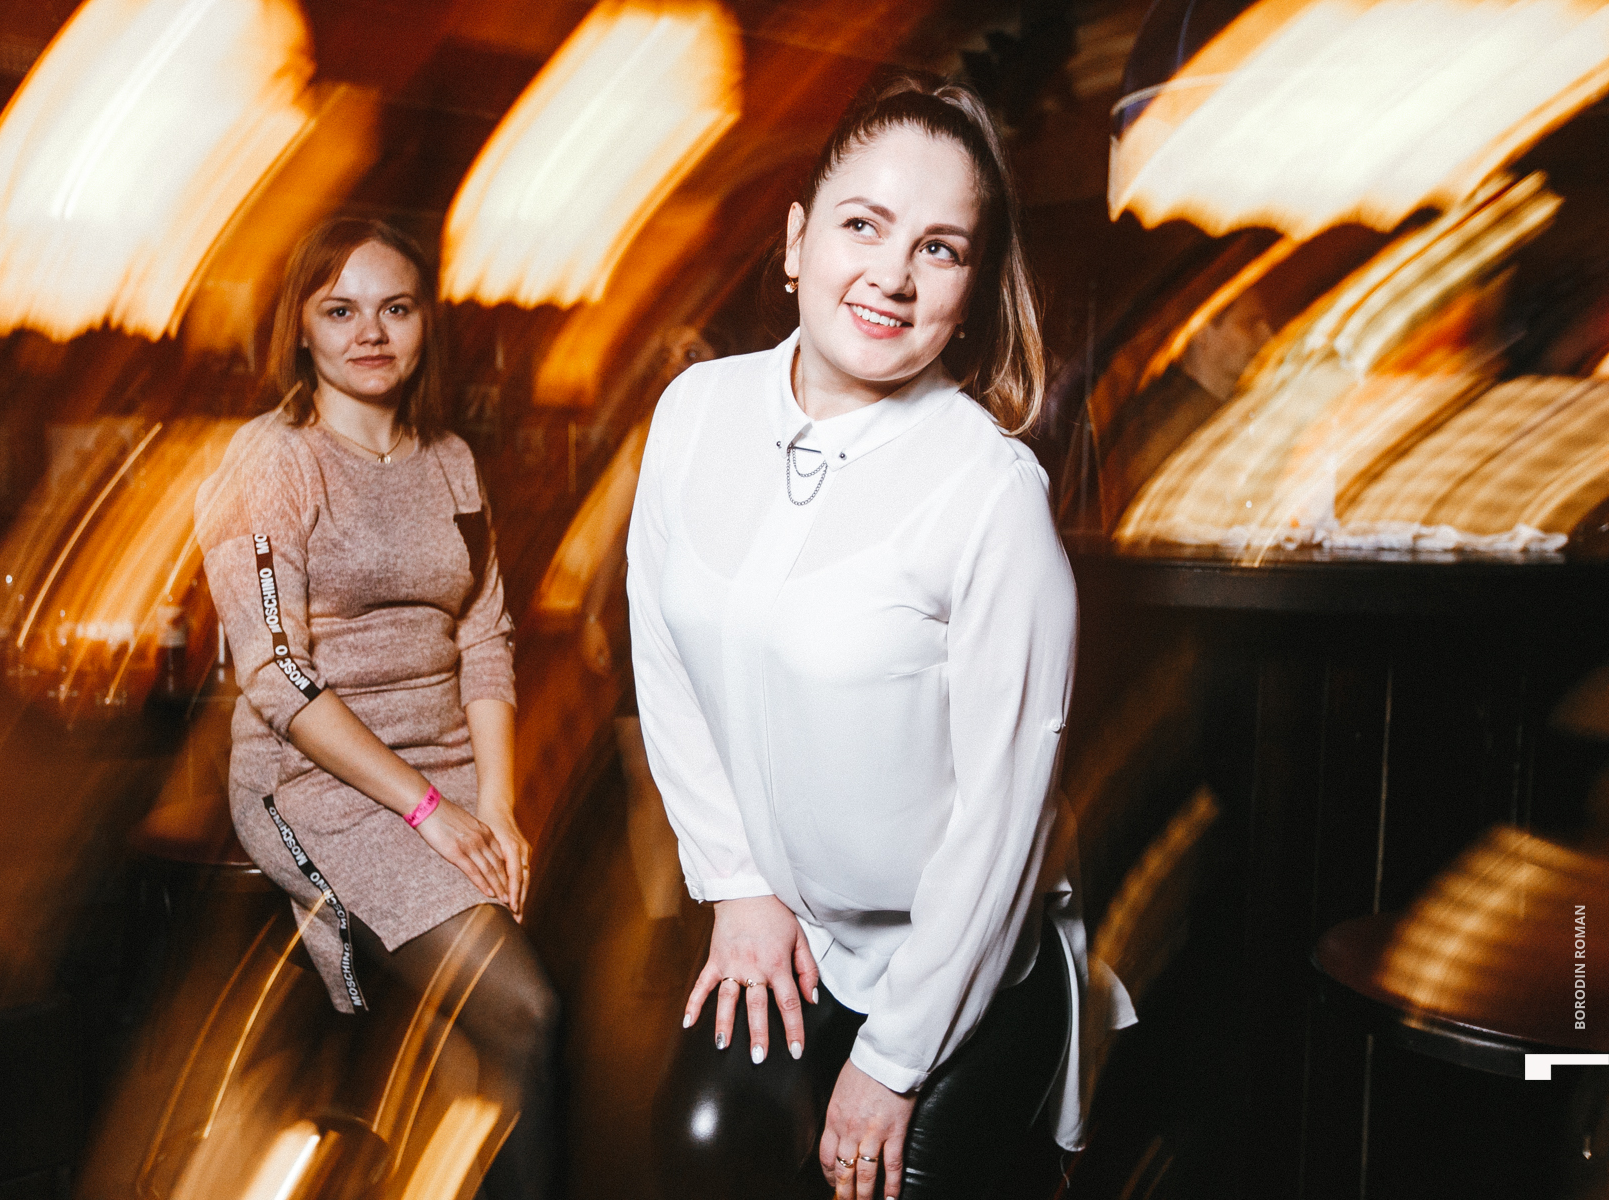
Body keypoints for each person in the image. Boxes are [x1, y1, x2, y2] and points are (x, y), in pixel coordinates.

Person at [632, 74, 1134, 1200]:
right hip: (789, 935)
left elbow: (1003, 822)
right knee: (698, 1146)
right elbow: (662, 656)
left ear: (971, 290)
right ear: (797, 241)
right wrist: (737, 883)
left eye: (938, 248)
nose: (894, 276)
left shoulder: (990, 493)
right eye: (863, 225)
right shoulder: (696, 413)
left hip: (956, 970)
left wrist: (894, 1060)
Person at [194, 217, 558, 1198]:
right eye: (340, 310)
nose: (370, 333)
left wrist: (497, 807)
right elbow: (274, 674)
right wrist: (429, 812)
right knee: (525, 1012)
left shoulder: (450, 460)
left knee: (477, 1049)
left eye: (395, 308)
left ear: (425, 322)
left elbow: (484, 638)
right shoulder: (272, 461)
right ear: (300, 327)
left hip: (448, 772)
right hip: (320, 782)